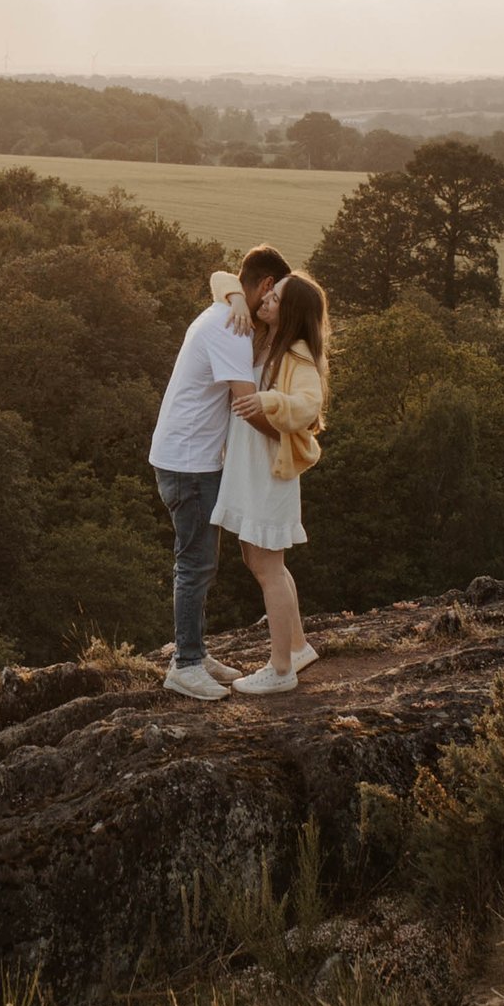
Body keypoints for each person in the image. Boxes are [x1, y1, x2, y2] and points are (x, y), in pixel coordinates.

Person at [149, 243, 289, 700]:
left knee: (201, 562)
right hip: (188, 462)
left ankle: (196, 650)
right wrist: (294, 440)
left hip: (189, 457)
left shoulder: (224, 311)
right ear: (265, 286)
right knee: (195, 563)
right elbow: (247, 405)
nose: (274, 306)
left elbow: (223, 279)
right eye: (275, 296)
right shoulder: (231, 326)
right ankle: (184, 664)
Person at [213, 269, 329, 694]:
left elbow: (308, 407)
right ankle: (296, 647)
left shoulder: (297, 353)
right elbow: (219, 276)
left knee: (269, 567)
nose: (266, 301)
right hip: (250, 470)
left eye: (275, 299)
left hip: (268, 475)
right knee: (256, 559)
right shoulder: (268, 338)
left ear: (292, 311)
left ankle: (281, 670)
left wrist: (266, 399)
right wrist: (238, 300)